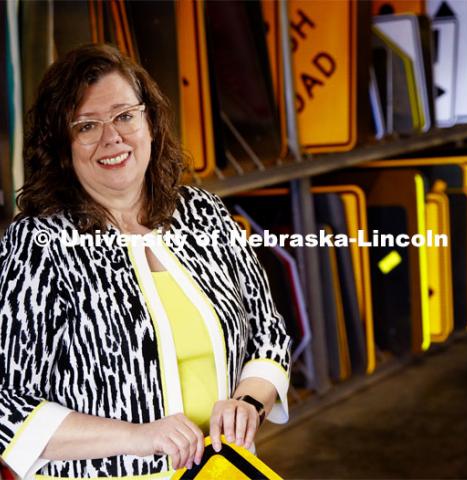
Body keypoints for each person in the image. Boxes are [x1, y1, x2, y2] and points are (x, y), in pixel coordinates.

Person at [0, 44, 291, 479]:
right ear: (63, 146)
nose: (111, 137)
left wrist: (249, 401)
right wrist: (142, 436)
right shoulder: (39, 244)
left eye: (124, 116)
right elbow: (7, 403)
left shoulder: (204, 213)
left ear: (150, 122)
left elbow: (267, 332)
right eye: (86, 126)